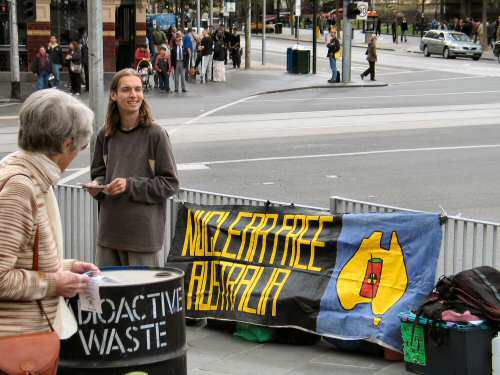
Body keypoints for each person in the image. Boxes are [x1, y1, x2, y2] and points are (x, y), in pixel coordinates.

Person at [0, 88, 98, 337]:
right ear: (66, 144)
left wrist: (67, 267)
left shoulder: (20, 172)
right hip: (18, 340)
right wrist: (55, 283)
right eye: (80, 147)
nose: (75, 156)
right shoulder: (21, 188)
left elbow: (22, 256)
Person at [88, 69, 180, 267]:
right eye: (126, 89)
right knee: (108, 296)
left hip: (143, 238)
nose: (134, 95)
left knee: (142, 296)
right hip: (109, 235)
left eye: (138, 89)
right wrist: (97, 186)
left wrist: (129, 186)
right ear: (113, 95)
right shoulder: (104, 134)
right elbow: (99, 175)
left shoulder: (156, 134)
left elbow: (170, 184)